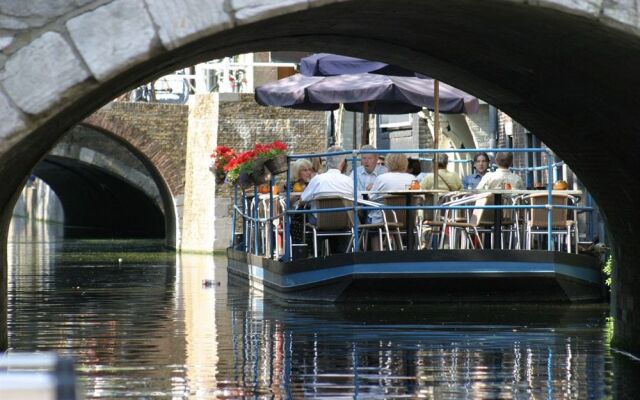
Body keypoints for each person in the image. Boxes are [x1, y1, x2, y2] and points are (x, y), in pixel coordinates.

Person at [300, 146, 354, 253]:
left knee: (306, 214)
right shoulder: (349, 180)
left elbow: (303, 199)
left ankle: (314, 253)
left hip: (321, 222)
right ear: (343, 163)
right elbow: (358, 200)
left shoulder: (318, 179)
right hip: (344, 222)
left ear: (327, 162)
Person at [368, 153, 415, 224]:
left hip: (383, 220)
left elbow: (371, 197)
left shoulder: (381, 178)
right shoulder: (412, 178)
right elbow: (418, 197)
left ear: (388, 163)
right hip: (408, 219)